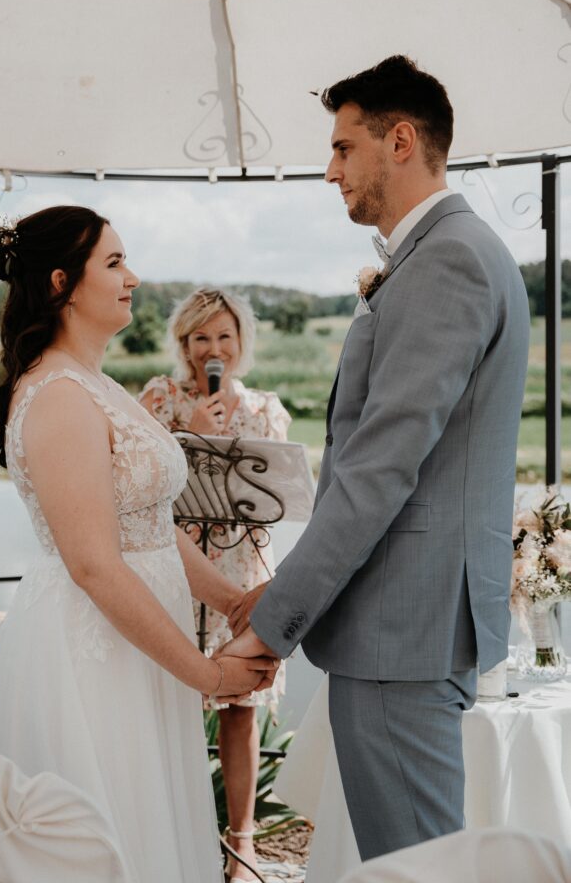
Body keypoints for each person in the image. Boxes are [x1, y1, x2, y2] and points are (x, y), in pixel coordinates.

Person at [225, 56, 530, 861]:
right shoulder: (443, 252)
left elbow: (381, 465)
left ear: (399, 142)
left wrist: (274, 625)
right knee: (415, 860)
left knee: (415, 867)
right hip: (409, 619)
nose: (330, 172)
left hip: (404, 625)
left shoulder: (447, 259)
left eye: (342, 148)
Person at [0, 206, 278, 883]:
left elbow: (148, 524)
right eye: (113, 263)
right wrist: (205, 674)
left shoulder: (97, 384)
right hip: (95, 650)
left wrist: (232, 601)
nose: (132, 278)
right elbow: (92, 563)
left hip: (142, 643)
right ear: (61, 283)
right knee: (109, 833)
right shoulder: (58, 395)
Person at [139, 288, 290, 883]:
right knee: (171, 695)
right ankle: (171, 836)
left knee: (239, 708)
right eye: (201, 337)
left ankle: (241, 843)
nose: (213, 348)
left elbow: (282, 493)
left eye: (224, 336)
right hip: (177, 569)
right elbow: (137, 493)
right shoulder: (159, 399)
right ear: (184, 344)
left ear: (240, 342)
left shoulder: (265, 408)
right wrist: (192, 435)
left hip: (243, 568)